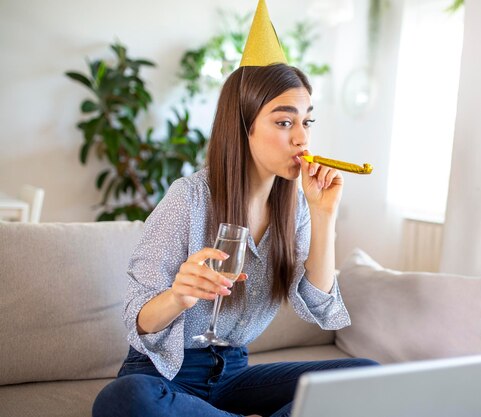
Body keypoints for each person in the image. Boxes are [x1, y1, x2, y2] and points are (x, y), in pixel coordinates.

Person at [92, 4, 377, 415]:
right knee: (124, 400)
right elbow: (139, 322)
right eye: (283, 123)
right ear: (243, 128)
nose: (301, 138)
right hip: (166, 374)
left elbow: (318, 306)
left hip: (235, 373)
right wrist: (178, 295)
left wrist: (323, 214)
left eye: (307, 122)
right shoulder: (188, 197)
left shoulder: (295, 205)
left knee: (364, 375)